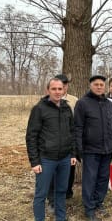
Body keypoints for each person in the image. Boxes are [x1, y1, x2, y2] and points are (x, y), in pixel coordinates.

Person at [26, 78, 78, 221]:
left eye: (60, 89)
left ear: (64, 90)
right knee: (41, 195)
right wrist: (35, 162)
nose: (57, 91)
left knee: (61, 190)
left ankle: (61, 220)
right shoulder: (39, 109)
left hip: (64, 158)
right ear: (48, 90)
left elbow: (72, 132)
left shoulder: (66, 108)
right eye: (54, 88)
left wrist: (73, 154)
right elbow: (31, 137)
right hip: (46, 159)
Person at [74, 75, 112, 221]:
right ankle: (89, 209)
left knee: (102, 178)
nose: (99, 87)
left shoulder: (108, 104)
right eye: (96, 84)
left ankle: (98, 203)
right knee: (90, 179)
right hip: (90, 150)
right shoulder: (82, 103)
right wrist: (79, 149)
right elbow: (78, 127)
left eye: (102, 84)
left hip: (107, 149)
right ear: (91, 86)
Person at [47, 74, 78, 212]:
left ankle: (66, 193)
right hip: (52, 143)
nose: (62, 88)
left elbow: (77, 122)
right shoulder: (47, 101)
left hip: (69, 141)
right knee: (52, 173)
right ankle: (51, 199)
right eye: (60, 85)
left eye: (65, 85)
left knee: (69, 170)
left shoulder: (74, 100)